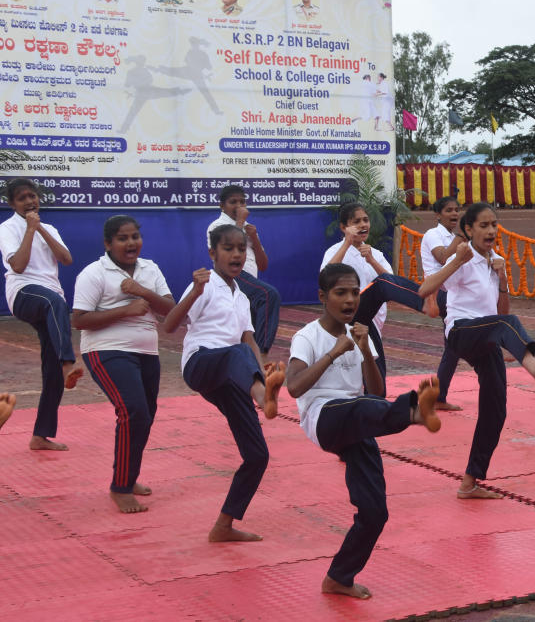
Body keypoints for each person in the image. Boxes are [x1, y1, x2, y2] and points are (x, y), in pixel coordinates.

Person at [285, 262, 440, 599]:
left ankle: (340, 577)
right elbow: (294, 387)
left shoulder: (359, 333)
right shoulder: (308, 336)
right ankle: (413, 410)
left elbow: (376, 393)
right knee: (358, 407)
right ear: (323, 297)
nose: (350, 299)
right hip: (322, 416)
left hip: (358, 420)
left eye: (355, 292)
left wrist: (365, 351)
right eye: (341, 292)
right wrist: (332, 353)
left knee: (375, 512)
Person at [417, 203, 535, 499]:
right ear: (469, 230)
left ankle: (469, 482)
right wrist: (457, 261)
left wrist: (503, 280)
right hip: (461, 332)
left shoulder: (495, 259)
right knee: (506, 325)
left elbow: (500, 310)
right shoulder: (463, 257)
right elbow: (424, 288)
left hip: (488, 336)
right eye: (483, 225)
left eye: (494, 224)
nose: (491, 230)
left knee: (496, 410)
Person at [164, 224, 284, 542]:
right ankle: (263, 397)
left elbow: (251, 342)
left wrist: (262, 372)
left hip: (233, 375)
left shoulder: (242, 298)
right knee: (238, 353)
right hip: (201, 364)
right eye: (228, 248)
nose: (236, 254)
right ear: (212, 253)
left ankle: (224, 525)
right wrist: (193, 291)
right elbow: (170, 325)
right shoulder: (206, 287)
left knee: (257, 455)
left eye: (241, 249)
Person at [72, 215, 175, 513]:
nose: (131, 243)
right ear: (108, 244)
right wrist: (127, 310)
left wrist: (142, 292)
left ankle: (127, 479)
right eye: (122, 238)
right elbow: (79, 320)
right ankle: (120, 487)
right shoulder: (94, 273)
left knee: (146, 415)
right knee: (133, 411)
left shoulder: (150, 269)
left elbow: (171, 310)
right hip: (105, 350)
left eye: (134, 237)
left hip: (147, 353)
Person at [1, 178, 84, 451]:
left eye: (32, 196)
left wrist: (41, 230)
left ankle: (40, 435)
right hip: (24, 293)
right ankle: (67, 362)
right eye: (22, 198)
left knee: (51, 373)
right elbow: (20, 266)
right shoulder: (7, 229)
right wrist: (28, 230)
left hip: (51, 299)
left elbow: (66, 259)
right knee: (53, 302)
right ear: (12, 204)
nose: (29, 201)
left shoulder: (49, 228)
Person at [322, 202, 434, 395]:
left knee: (374, 374)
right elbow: (325, 277)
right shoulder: (334, 251)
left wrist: (371, 260)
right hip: (345, 315)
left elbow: (392, 282)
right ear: (343, 227)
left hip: (368, 321)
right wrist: (348, 243)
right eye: (356, 221)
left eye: (365, 220)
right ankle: (425, 300)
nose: (363, 225)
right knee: (381, 283)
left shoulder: (375, 253)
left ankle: (375, 407)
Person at [206, 185, 281, 355]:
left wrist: (253, 237)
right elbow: (221, 258)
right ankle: (262, 354)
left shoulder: (249, 228)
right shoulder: (216, 226)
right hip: (232, 275)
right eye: (233, 202)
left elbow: (263, 265)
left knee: (248, 329)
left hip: (250, 280)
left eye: (242, 202)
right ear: (222, 206)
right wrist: (239, 223)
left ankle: (249, 361)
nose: (239, 206)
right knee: (268, 295)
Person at [420, 196, 465, 411]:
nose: (455, 214)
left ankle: (439, 395)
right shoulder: (433, 234)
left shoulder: (455, 236)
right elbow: (442, 258)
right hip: (438, 293)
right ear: (438, 215)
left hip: (454, 293)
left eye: (457, 210)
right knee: (454, 344)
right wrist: (459, 240)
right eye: (449, 210)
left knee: (453, 346)